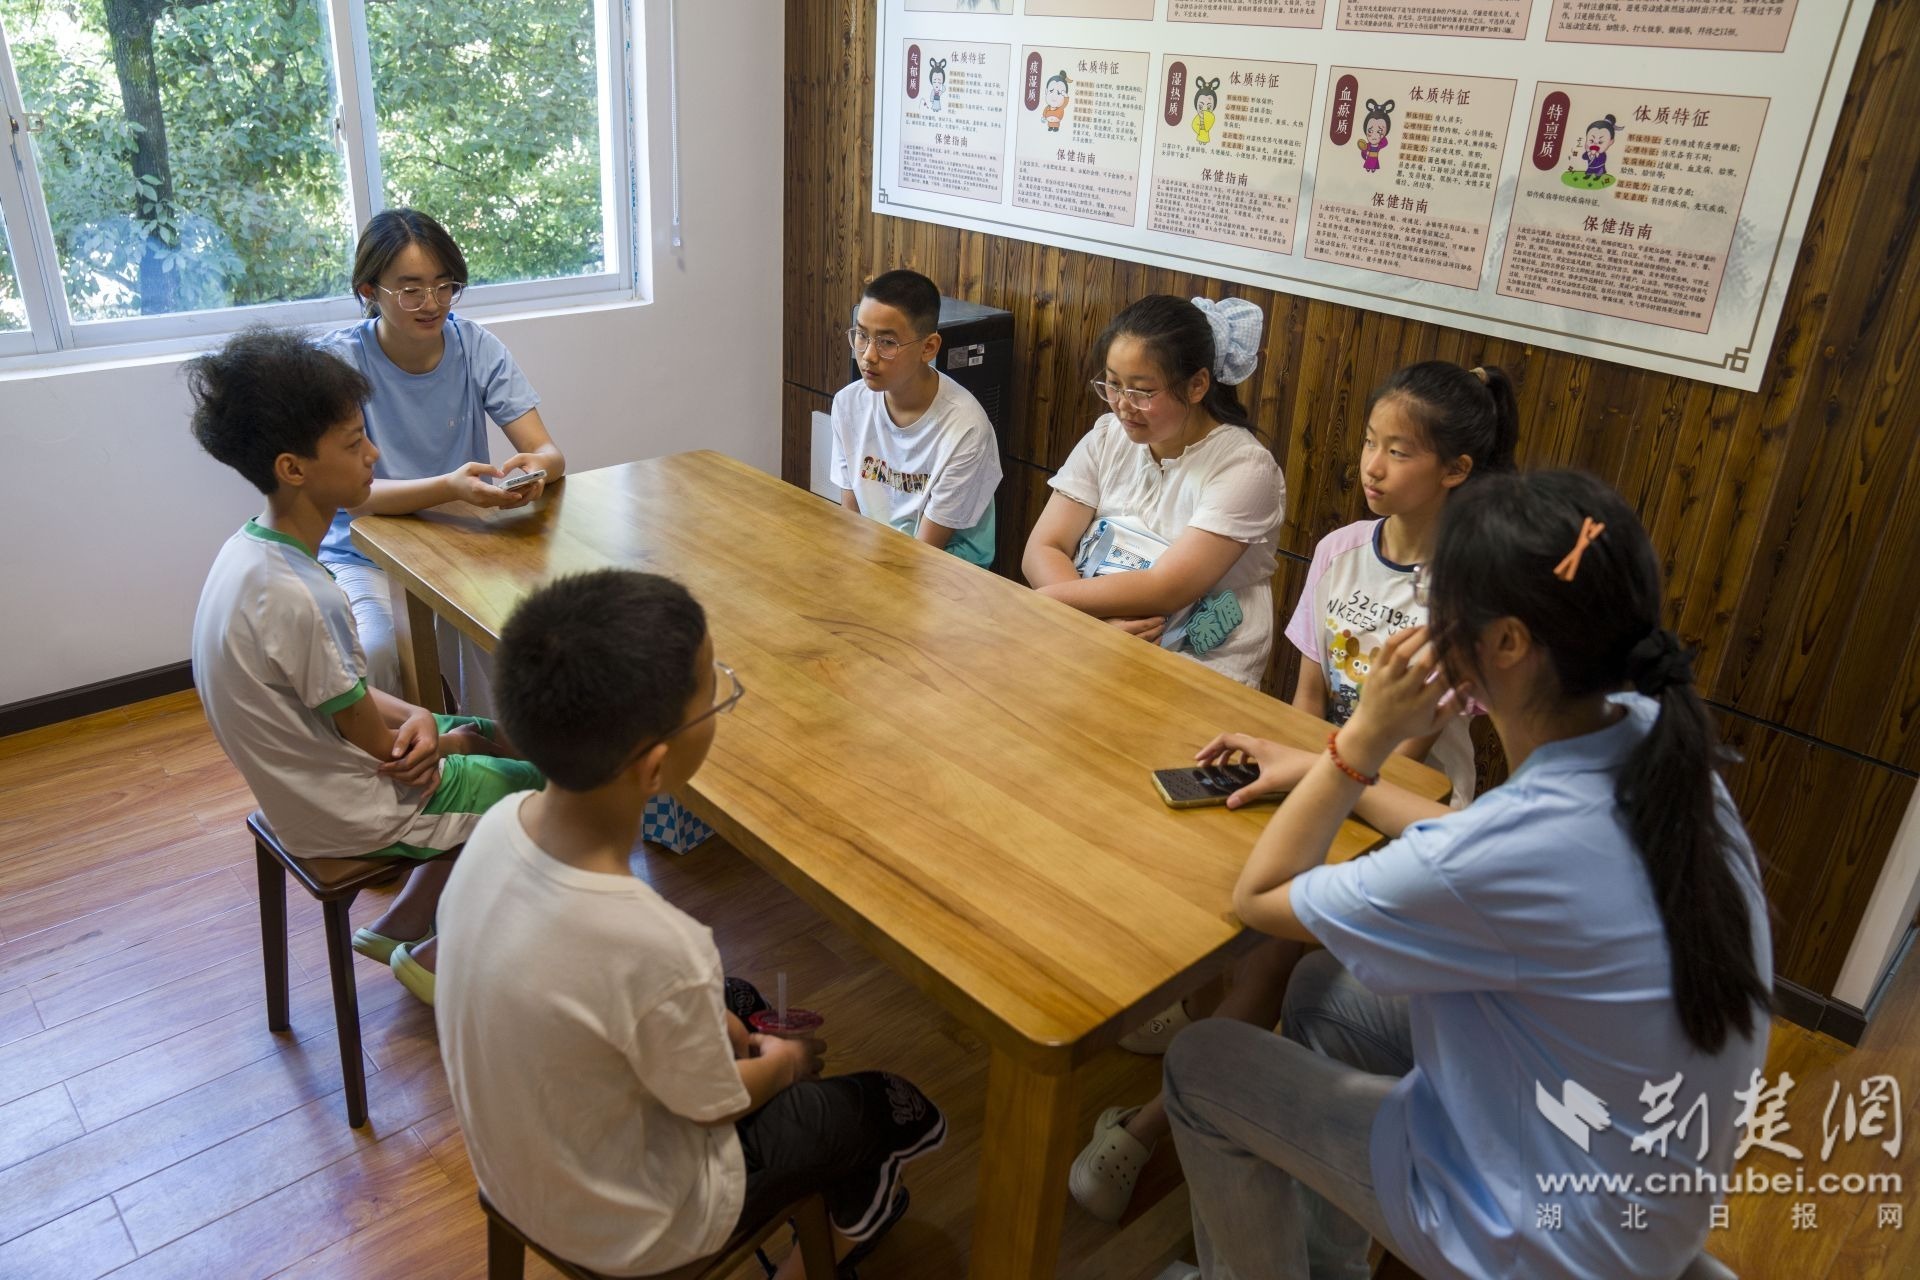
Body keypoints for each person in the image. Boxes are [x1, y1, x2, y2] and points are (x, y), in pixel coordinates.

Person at [1160, 470, 1772, 1279]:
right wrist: (1325, 770)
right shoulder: (1656, 735)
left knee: (1202, 1065)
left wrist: (1360, 743)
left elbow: (1260, 898)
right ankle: (1323, 1258)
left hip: (1533, 1237)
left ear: (1509, 644)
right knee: (1323, 994)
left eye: (1440, 605)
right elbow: (1487, 851)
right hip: (1640, 1204)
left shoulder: (1509, 852)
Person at [1067, 359, 1518, 1222]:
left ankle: (1155, 1120)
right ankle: (1197, 1026)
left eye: (1400, 452)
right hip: (1315, 766)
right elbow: (1307, 696)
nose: (1373, 465)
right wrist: (1296, 765)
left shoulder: (1472, 586)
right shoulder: (1347, 548)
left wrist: (1314, 775)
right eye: (1369, 443)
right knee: (1198, 862)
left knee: (1271, 939)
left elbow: (1407, 750)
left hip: (1395, 805)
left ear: (1457, 470)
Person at [435, 569, 947, 1279]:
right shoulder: (657, 943)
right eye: (713, 690)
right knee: (870, 1103)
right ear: (654, 765)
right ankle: (827, 1246)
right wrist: (785, 1065)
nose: (720, 699)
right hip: (641, 1225)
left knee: (736, 1002)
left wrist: (727, 1036)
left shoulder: (493, 831)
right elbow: (715, 1107)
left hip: (517, 1166)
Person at [187, 327, 544, 1007]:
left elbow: (346, 698)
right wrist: (449, 737)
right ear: (293, 468)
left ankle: (401, 923)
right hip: (347, 804)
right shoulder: (303, 596)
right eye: (354, 444)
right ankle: (441, 956)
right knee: (548, 788)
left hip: (308, 779)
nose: (373, 453)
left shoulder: (251, 553)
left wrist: (428, 719)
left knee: (485, 731)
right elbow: (379, 745)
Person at [315, 208, 567, 703]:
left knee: (510, 645)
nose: (431, 303)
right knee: (380, 654)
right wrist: (449, 487)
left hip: (459, 545)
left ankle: (493, 765)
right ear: (369, 292)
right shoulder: (337, 363)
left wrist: (535, 470)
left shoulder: (475, 345)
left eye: (444, 285)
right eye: (410, 289)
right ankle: (411, 772)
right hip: (365, 553)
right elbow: (352, 497)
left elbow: (547, 451)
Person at [1022, 294, 1283, 688]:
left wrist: (1045, 605)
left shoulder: (1245, 467)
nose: (1122, 405)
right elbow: (1044, 547)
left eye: (1142, 392)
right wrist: (1095, 625)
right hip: (1093, 643)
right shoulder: (1108, 436)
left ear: (1196, 385)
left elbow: (1167, 588)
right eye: (1112, 384)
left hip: (1198, 672)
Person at [831, 268, 1002, 568]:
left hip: (947, 571)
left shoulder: (966, 428)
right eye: (861, 335)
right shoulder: (848, 405)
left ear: (929, 348)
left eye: (886, 343)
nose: (868, 355)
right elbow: (851, 523)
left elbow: (925, 553)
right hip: (874, 560)